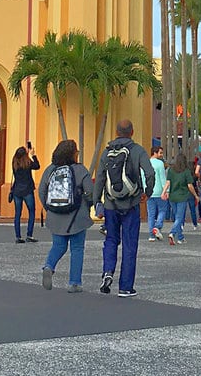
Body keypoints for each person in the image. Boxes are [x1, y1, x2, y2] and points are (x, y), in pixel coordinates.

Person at [92, 118, 155, 296]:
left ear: (117, 132)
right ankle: (125, 287)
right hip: (132, 203)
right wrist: (147, 192)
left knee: (111, 239)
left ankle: (107, 271)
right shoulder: (138, 151)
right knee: (129, 244)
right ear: (132, 132)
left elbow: (100, 178)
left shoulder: (107, 152)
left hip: (111, 204)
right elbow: (149, 173)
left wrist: (97, 201)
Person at [38, 138, 96, 291]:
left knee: (58, 245)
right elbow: (90, 191)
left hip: (55, 215)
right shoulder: (80, 170)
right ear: (73, 154)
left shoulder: (50, 170)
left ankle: (49, 266)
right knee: (77, 248)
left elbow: (41, 191)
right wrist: (88, 205)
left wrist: (49, 208)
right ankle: (74, 283)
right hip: (77, 216)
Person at [10, 143, 40, 244]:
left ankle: (18, 236)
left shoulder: (14, 163)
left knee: (17, 214)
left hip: (17, 191)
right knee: (31, 212)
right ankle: (29, 235)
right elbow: (37, 166)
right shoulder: (27, 163)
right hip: (27, 190)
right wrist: (33, 155)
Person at [164, 150, 195, 245]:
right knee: (179, 217)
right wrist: (195, 195)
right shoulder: (186, 171)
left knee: (177, 217)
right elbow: (190, 185)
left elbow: (168, 183)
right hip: (182, 196)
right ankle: (172, 233)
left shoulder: (171, 170)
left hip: (172, 196)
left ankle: (180, 237)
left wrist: (163, 192)